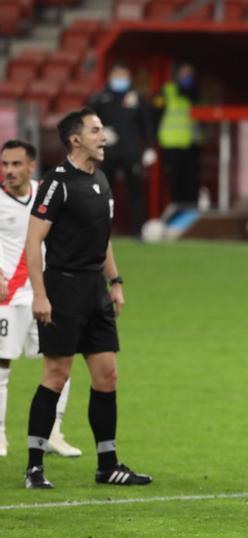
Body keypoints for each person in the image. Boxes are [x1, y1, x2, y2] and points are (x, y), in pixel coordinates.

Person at [22, 108, 149, 488]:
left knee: (107, 375)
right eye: (95, 131)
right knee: (56, 375)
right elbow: (33, 241)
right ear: (75, 139)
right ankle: (33, 466)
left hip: (95, 289)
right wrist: (40, 296)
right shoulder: (57, 182)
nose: (103, 137)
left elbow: (102, 238)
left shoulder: (103, 180)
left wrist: (116, 281)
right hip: (62, 288)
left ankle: (107, 464)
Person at [0, 141, 85, 460]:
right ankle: (0, 435)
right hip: (7, 297)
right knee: (2, 367)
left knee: (60, 363)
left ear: (31, 166)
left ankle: (52, 432)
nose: (9, 171)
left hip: (44, 294)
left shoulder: (47, 195)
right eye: (5, 164)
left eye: (16, 164)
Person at [87, 63, 154, 236]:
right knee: (103, 192)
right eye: (117, 74)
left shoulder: (137, 98)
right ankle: (100, 231)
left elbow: (146, 124)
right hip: (107, 151)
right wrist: (101, 131)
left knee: (135, 191)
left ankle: (138, 231)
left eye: (123, 74)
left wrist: (149, 148)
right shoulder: (101, 97)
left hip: (131, 151)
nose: (120, 78)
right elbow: (87, 122)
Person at [153, 62, 200, 209]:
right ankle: (176, 212)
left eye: (190, 74)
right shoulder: (167, 91)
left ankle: (191, 212)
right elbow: (155, 113)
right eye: (184, 73)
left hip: (191, 144)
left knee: (192, 182)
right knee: (175, 182)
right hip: (171, 144)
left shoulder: (196, 93)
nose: (187, 77)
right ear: (177, 75)